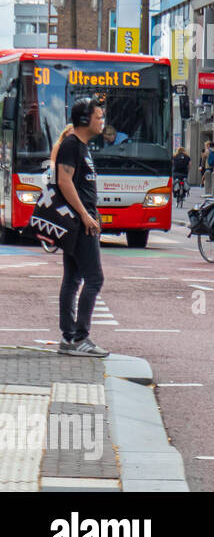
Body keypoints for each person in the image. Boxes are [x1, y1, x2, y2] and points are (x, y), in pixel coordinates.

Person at [52, 97, 109, 357]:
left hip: (81, 220)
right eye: (98, 117)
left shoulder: (81, 146)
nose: (102, 122)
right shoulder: (72, 145)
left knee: (73, 279)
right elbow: (65, 181)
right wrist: (86, 215)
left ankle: (68, 337)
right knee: (94, 279)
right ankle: (80, 337)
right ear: (85, 119)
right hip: (79, 223)